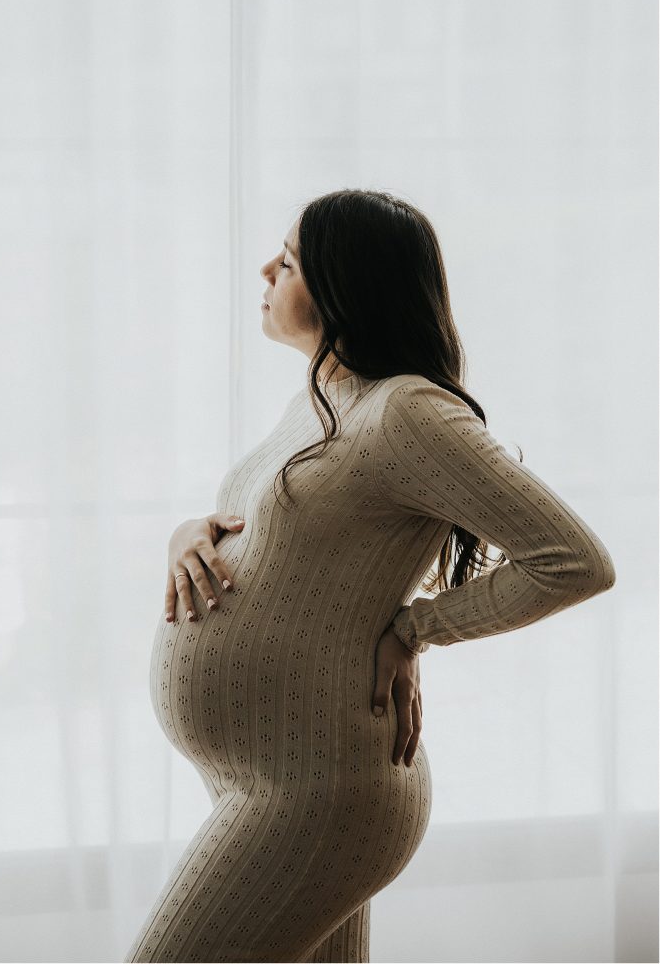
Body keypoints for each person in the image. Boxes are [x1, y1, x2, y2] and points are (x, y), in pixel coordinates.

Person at [125, 189, 616, 964]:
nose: (264, 269)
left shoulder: (406, 412)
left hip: (315, 790)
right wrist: (189, 534)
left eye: (286, 260)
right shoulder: (325, 397)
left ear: (343, 287)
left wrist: (417, 628)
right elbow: (288, 536)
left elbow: (574, 562)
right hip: (265, 775)